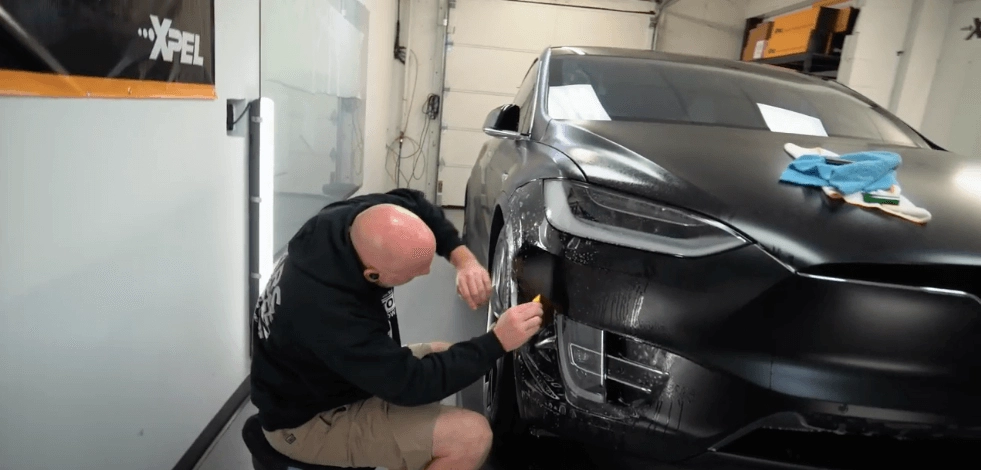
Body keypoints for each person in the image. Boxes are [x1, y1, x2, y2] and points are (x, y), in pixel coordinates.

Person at [249, 188, 544, 470]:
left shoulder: (349, 218)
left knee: (446, 354)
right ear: (372, 274)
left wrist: (464, 260)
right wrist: (498, 341)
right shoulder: (329, 311)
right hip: (305, 422)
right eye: (412, 273)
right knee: (471, 436)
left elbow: (418, 204)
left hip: (329, 379)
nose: (426, 272)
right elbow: (410, 384)